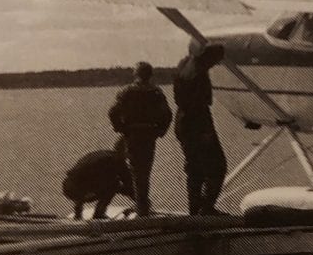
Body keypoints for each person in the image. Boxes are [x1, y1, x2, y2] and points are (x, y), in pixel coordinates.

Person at [108, 61, 172, 217]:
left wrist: (120, 127)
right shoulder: (156, 92)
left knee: (135, 170)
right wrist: (160, 131)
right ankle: (141, 204)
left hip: (133, 134)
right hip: (149, 134)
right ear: (150, 75)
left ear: (135, 74)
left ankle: (141, 206)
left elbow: (112, 112)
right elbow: (167, 115)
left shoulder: (126, 92)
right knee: (144, 171)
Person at [173, 41, 228, 215]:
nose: (214, 64)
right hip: (199, 123)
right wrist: (205, 132)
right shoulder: (198, 73)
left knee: (194, 168)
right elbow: (202, 102)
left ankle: (195, 209)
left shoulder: (183, 66)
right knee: (218, 167)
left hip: (183, 122)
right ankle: (206, 207)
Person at [62, 137, 134, 220]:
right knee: (114, 184)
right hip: (79, 190)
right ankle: (99, 214)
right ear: (127, 151)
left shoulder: (104, 155)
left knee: (94, 181)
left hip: (68, 187)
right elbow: (129, 185)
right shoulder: (118, 160)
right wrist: (141, 202)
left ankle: (78, 215)